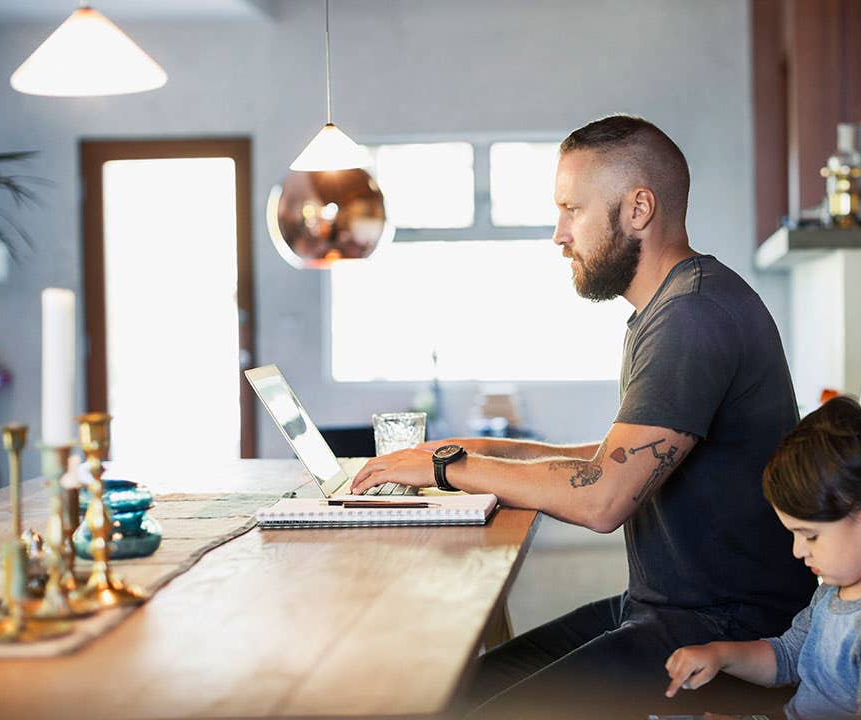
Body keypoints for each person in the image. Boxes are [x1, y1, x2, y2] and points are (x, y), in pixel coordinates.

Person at [350, 115, 816, 717]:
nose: (558, 234)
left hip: (726, 636)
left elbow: (604, 498)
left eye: (572, 209)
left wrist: (450, 468)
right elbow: (611, 460)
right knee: (460, 691)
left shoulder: (692, 318)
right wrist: (474, 450)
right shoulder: (672, 306)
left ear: (638, 209)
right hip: (666, 611)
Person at [664, 397, 861, 720]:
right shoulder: (834, 587)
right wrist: (718, 655)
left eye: (810, 535)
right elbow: (787, 656)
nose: (798, 550)